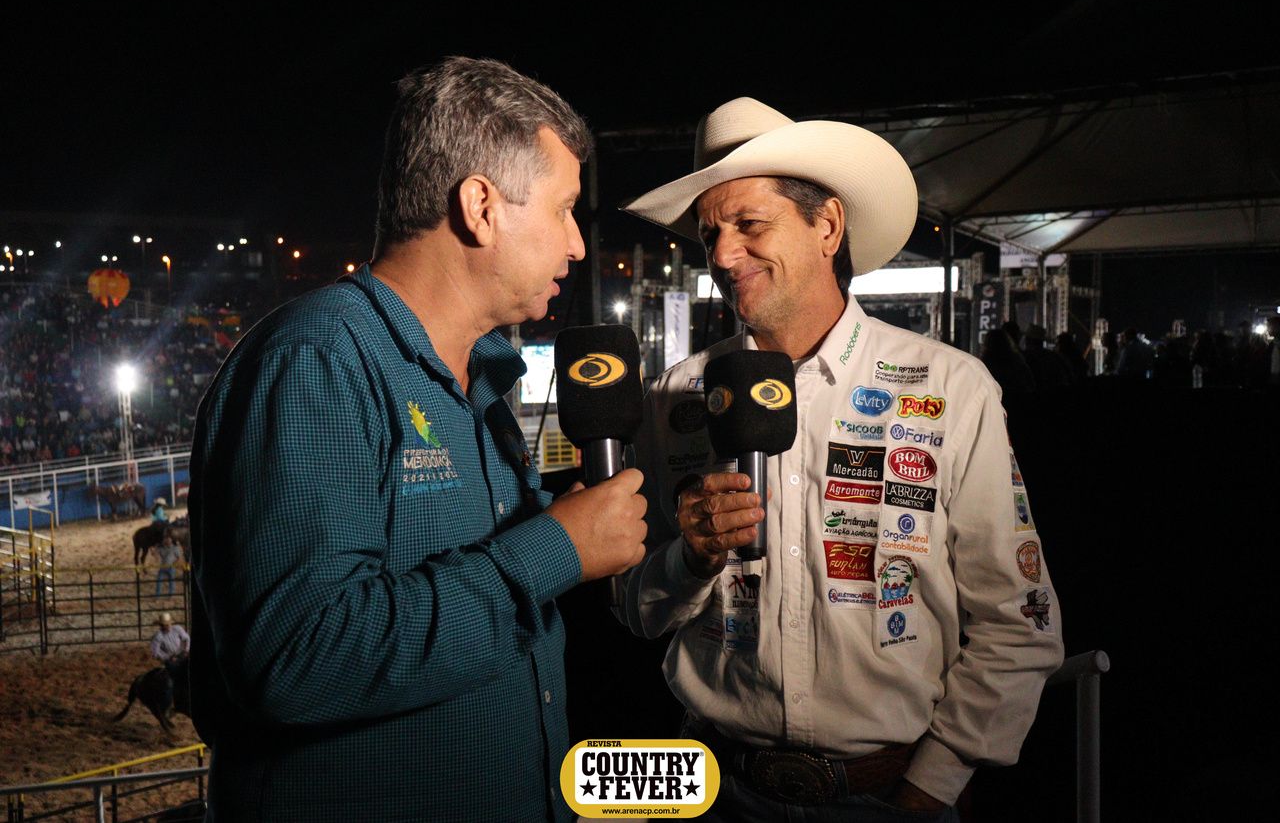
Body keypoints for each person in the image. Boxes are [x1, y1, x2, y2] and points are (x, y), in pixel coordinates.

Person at [188, 57, 648, 822]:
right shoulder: (317, 360)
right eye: (565, 209)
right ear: (481, 206)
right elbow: (296, 656)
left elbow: (491, 582)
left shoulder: (482, 377)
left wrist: (584, 532)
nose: (576, 243)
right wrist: (554, 548)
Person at [618, 97, 1064, 821]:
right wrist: (688, 559)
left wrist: (929, 789)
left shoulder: (950, 387)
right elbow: (635, 610)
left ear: (826, 226)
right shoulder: (674, 398)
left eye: (749, 224)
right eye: (710, 234)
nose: (722, 256)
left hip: (888, 799)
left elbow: (1019, 621)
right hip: (714, 792)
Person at [151, 532, 182, 596]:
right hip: (163, 567)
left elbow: (179, 558)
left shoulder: (175, 548)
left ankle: (170, 595)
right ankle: (157, 595)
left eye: (168, 539)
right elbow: (154, 554)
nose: (167, 540)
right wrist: (153, 549)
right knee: (159, 581)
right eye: (166, 539)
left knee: (171, 582)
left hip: (171, 567)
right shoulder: (161, 548)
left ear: (171, 540)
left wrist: (174, 564)